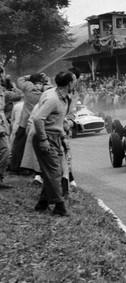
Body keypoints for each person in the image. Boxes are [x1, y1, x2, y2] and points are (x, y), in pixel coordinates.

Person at [31, 70, 76, 217]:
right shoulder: (52, 99)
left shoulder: (62, 97)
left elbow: (57, 121)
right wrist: (43, 140)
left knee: (52, 172)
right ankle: (59, 206)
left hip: (56, 136)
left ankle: (43, 203)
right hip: (46, 137)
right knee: (54, 172)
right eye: (74, 81)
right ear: (69, 83)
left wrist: (63, 137)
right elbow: (38, 119)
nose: (76, 83)